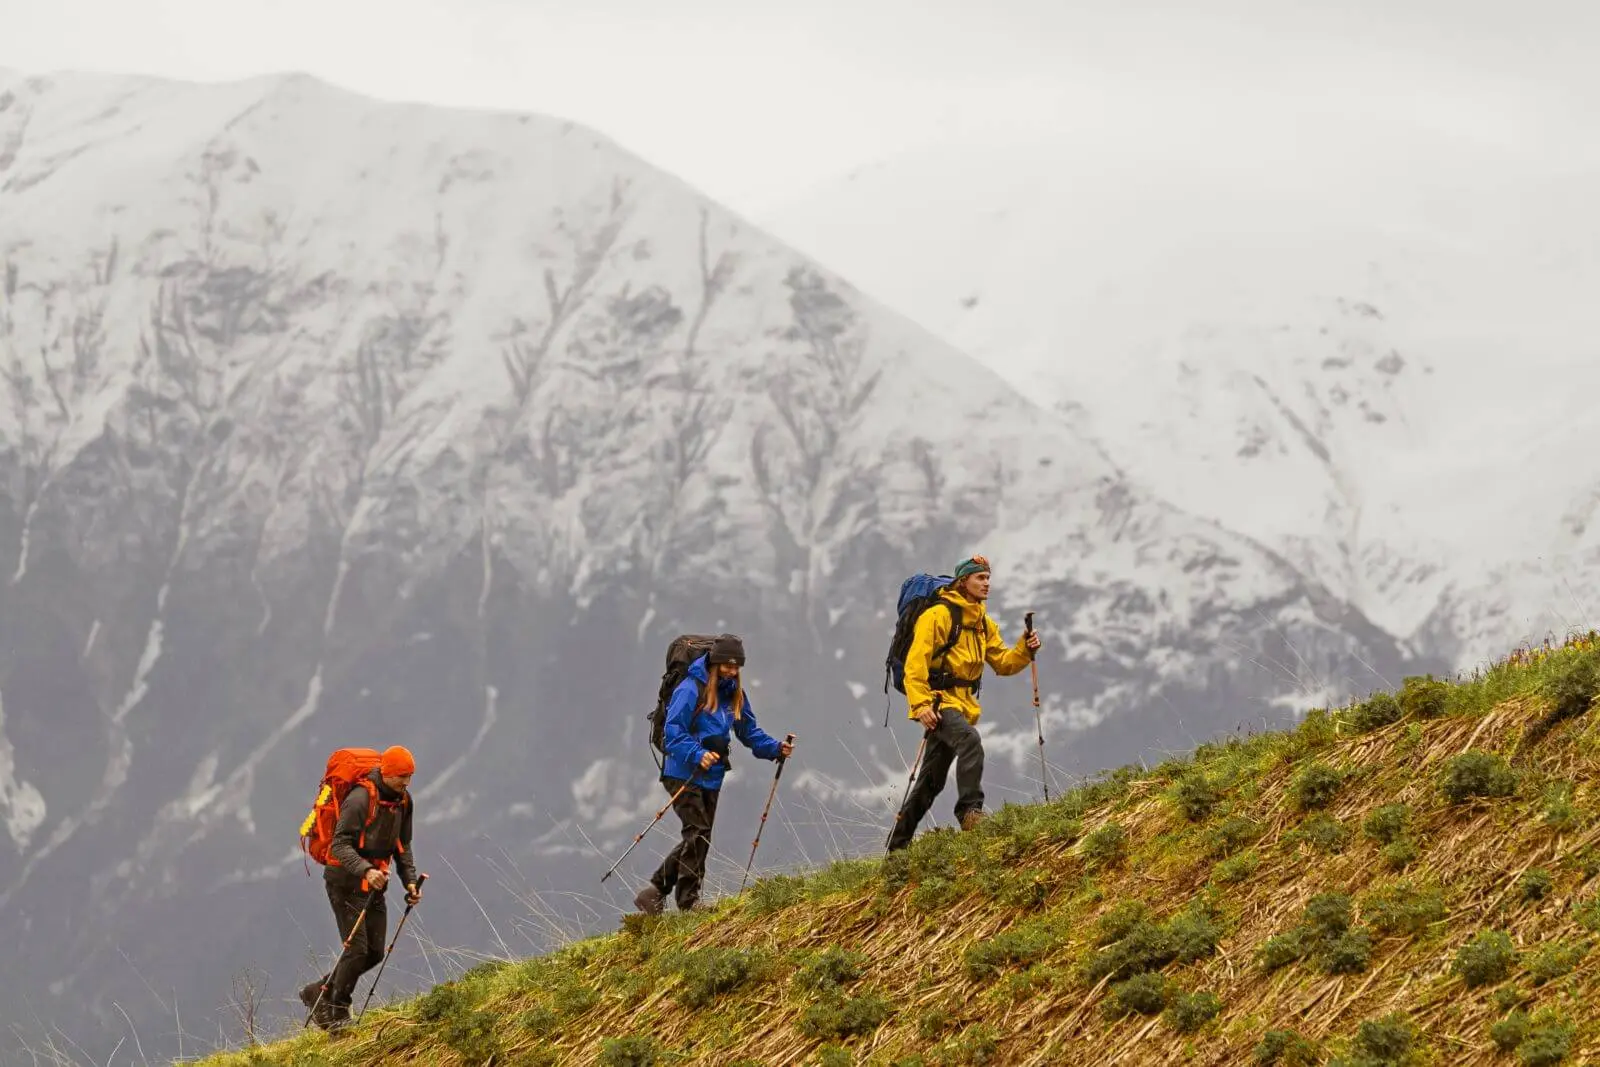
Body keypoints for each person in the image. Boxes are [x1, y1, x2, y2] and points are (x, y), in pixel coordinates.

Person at [887, 555, 1041, 851]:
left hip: (962, 705)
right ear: (963, 582)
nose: (986, 584)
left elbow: (1004, 663)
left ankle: (896, 850)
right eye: (980, 578)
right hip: (938, 702)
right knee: (970, 741)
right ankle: (970, 812)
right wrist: (921, 707)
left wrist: (1025, 647)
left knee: (930, 783)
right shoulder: (937, 617)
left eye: (988, 578)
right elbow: (914, 666)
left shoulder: (983, 623)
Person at [634, 635, 794, 913]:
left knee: (698, 836)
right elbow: (673, 733)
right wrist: (697, 754)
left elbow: (748, 731)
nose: (732, 670)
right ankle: (689, 902)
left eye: (737, 666)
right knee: (698, 832)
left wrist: (775, 748)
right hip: (683, 771)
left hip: (711, 774)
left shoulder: (734, 692)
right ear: (715, 661)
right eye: (727, 665)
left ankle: (655, 891)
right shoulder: (690, 688)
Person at [300, 745, 423, 1030]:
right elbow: (340, 845)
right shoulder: (359, 799)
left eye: (410, 776)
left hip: (374, 883)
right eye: (402, 776)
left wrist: (411, 882)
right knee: (356, 950)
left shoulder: (404, 801)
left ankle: (318, 992)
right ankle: (336, 1013)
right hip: (344, 881)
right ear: (387, 773)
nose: (406, 782)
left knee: (374, 952)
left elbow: (402, 847)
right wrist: (366, 870)